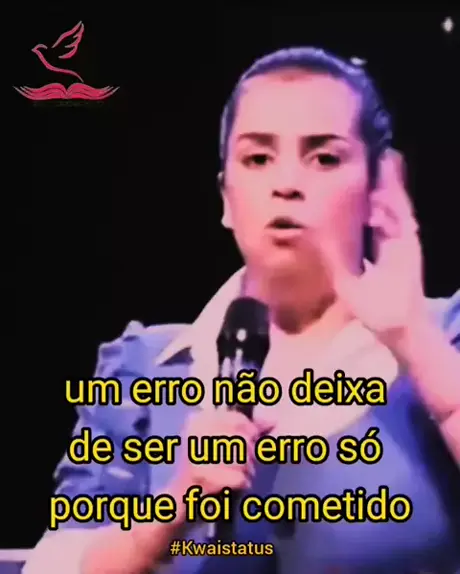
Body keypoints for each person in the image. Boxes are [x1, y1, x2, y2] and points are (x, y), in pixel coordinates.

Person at [24, 47, 460, 574]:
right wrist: (167, 516)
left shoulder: (443, 344)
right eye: (258, 159)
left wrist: (414, 341)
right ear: (226, 199)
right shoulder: (145, 369)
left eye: (324, 158)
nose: (287, 184)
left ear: (375, 192)